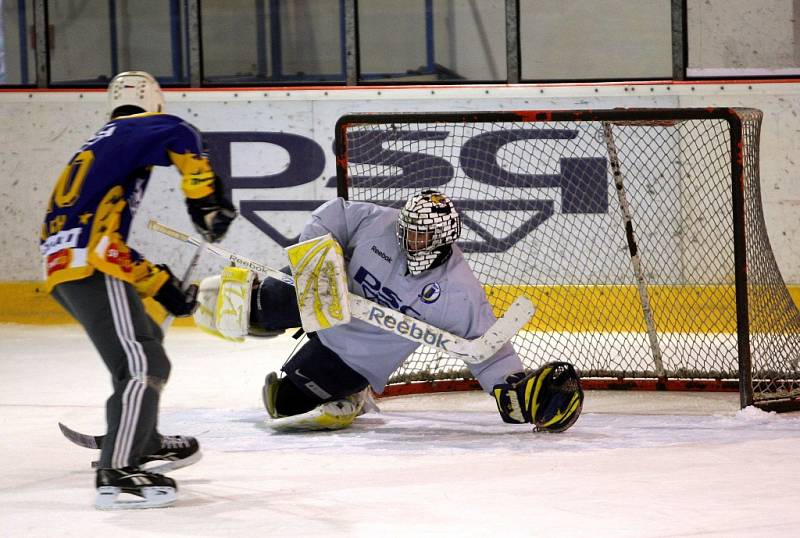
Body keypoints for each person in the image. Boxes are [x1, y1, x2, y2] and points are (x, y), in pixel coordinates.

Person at [206, 189, 582, 433]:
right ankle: (235, 304)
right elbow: (331, 214)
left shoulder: (458, 293)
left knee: (282, 406)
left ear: (442, 241)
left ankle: (355, 393)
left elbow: (485, 348)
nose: (409, 239)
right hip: (321, 296)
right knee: (250, 308)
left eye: (421, 235)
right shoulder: (380, 223)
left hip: (352, 355)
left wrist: (509, 387)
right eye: (409, 229)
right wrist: (324, 255)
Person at [40, 71, 236, 509]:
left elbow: (99, 236)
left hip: (66, 264)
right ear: (156, 103)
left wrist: (159, 283)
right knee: (142, 362)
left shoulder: (103, 143)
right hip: (90, 265)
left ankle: (142, 440)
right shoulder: (139, 128)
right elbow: (182, 134)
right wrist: (204, 198)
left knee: (148, 347)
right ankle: (120, 469)